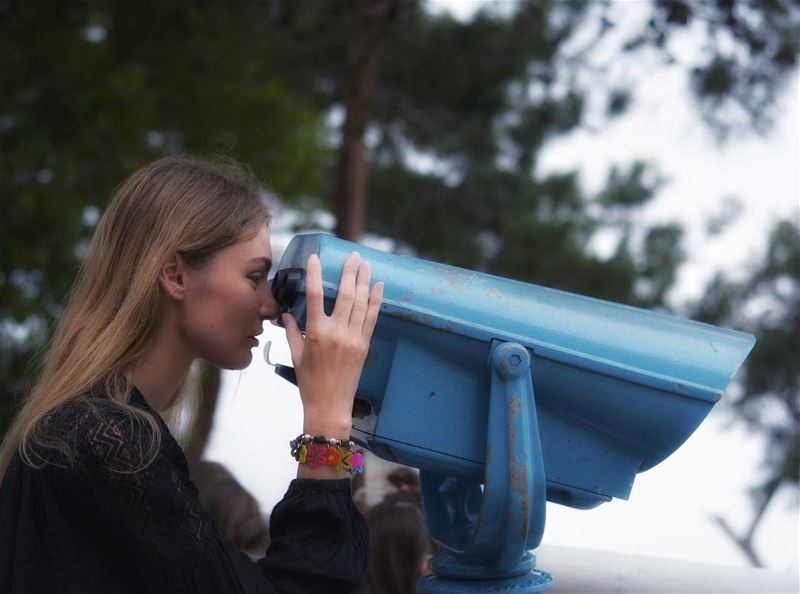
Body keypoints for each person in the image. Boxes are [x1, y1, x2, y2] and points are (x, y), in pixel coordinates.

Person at [0, 156, 383, 594]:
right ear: (175, 275)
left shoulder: (90, 431)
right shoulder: (107, 442)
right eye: (255, 276)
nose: (272, 306)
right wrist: (327, 427)